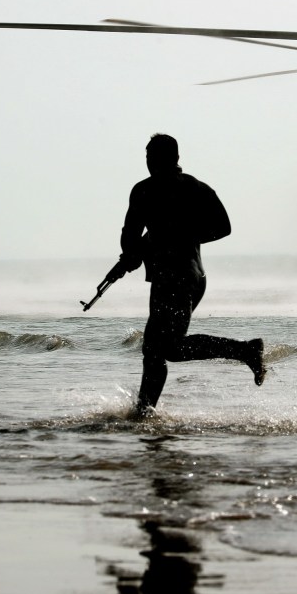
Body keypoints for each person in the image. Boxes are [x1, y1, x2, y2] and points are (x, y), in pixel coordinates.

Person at [114, 133, 265, 418]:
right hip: (185, 278)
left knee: (164, 348)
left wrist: (165, 240)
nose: (149, 162)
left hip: (178, 278)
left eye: (154, 157)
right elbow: (131, 237)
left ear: (172, 158)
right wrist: (135, 254)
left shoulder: (155, 190)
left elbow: (223, 227)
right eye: (147, 157)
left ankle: (246, 350)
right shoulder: (188, 188)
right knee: (156, 349)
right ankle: (143, 413)